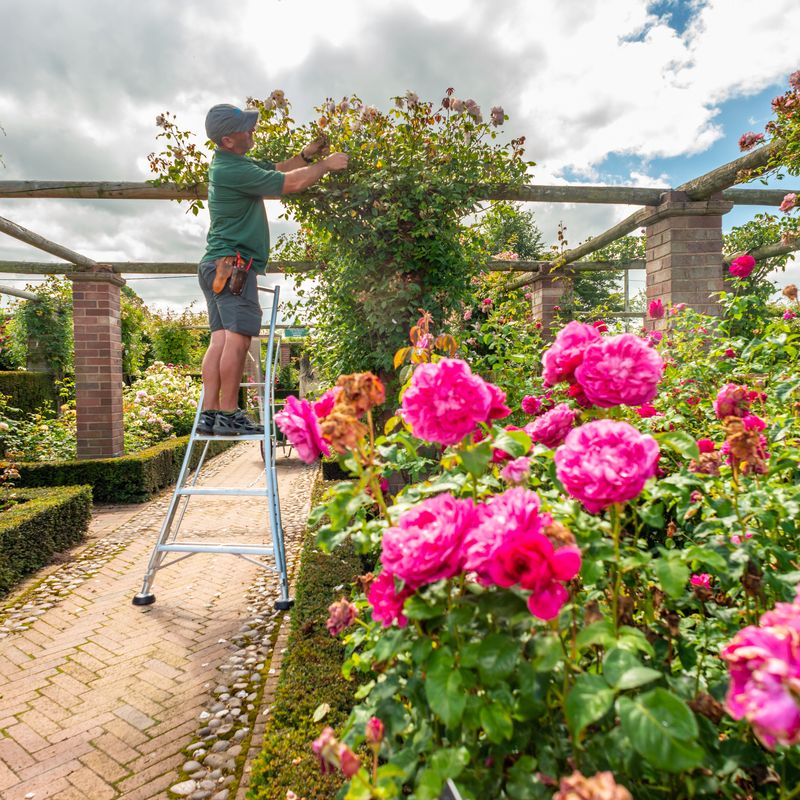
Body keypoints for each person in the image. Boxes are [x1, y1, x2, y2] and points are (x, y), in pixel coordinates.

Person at [197, 103, 348, 435]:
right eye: (245, 128)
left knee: (220, 340)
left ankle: (209, 414)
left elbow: (279, 168)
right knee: (237, 341)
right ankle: (229, 414)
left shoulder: (230, 163)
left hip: (215, 265)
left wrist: (307, 155)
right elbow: (289, 183)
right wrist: (325, 165)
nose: (251, 130)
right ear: (227, 140)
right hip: (233, 267)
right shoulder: (232, 170)